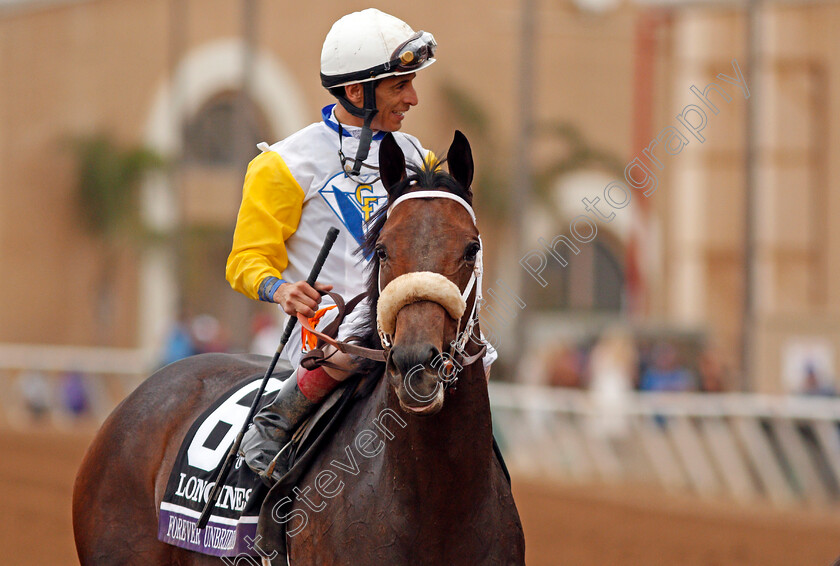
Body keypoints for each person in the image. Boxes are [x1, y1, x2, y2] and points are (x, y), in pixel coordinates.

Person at [226, 9, 440, 483]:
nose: (414, 98)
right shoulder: (282, 164)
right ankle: (272, 426)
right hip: (326, 340)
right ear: (357, 91)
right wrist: (281, 290)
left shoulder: (419, 160)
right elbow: (246, 260)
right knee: (353, 340)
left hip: (404, 331)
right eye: (400, 86)